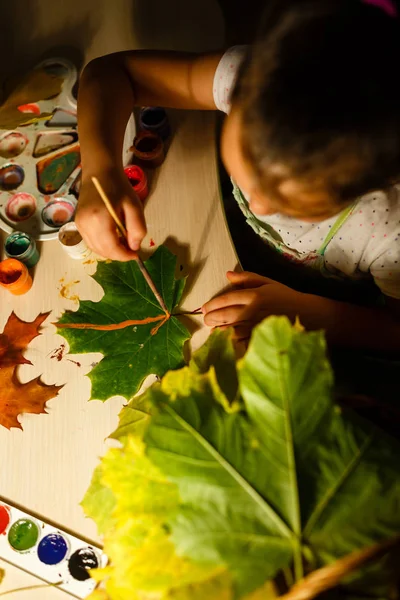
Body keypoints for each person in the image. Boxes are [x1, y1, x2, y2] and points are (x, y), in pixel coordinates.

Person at [76, 0, 400, 351]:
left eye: (287, 203)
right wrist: (101, 170)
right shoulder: (256, 79)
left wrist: (308, 313)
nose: (258, 206)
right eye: (243, 167)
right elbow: (110, 73)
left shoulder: (391, 230)